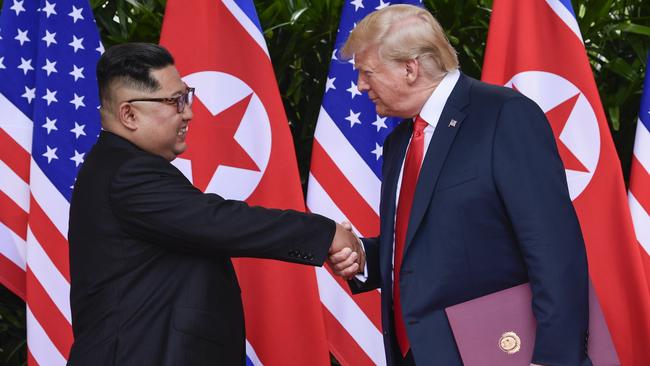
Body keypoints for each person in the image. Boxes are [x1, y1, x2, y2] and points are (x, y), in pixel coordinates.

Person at [67, 42, 360, 365]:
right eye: (175, 101)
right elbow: (219, 221)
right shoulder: (128, 173)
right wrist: (326, 233)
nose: (189, 112)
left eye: (186, 96)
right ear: (129, 114)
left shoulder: (118, 165)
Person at [328, 5, 590, 366]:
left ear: (410, 67)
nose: (360, 85)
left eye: (367, 72)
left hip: (501, 353)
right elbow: (431, 243)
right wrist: (362, 255)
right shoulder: (399, 141)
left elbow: (554, 249)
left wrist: (554, 358)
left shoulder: (504, 116)